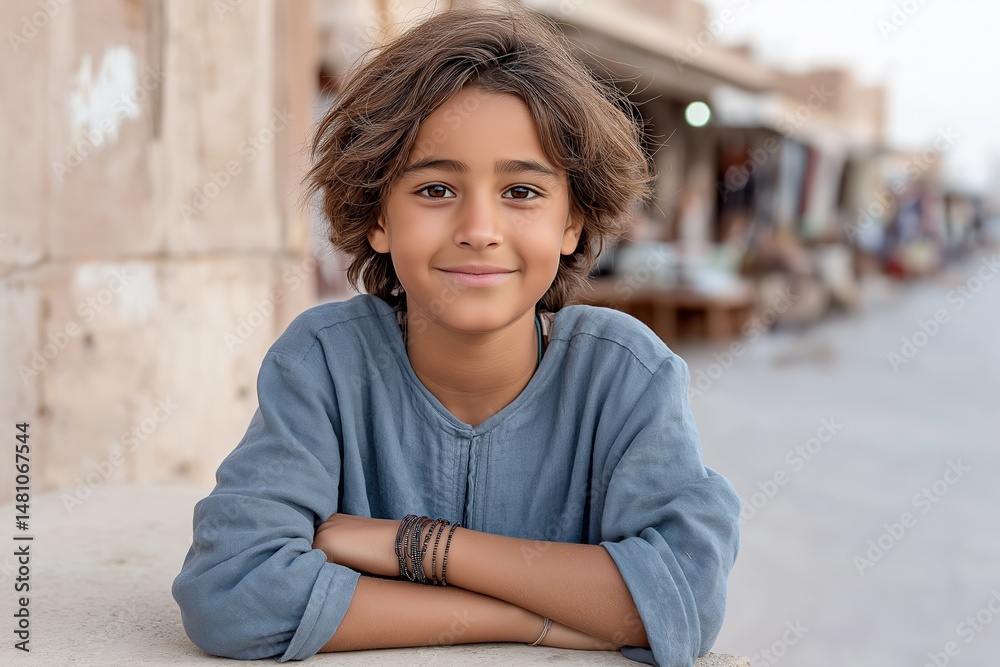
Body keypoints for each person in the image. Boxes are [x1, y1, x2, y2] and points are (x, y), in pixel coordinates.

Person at [171, 3, 741, 666]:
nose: (478, 227)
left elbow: (686, 598)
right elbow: (230, 591)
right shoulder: (324, 362)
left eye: (522, 192)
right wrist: (533, 619)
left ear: (573, 224)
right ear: (377, 216)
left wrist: (414, 546)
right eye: (437, 188)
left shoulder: (624, 375)